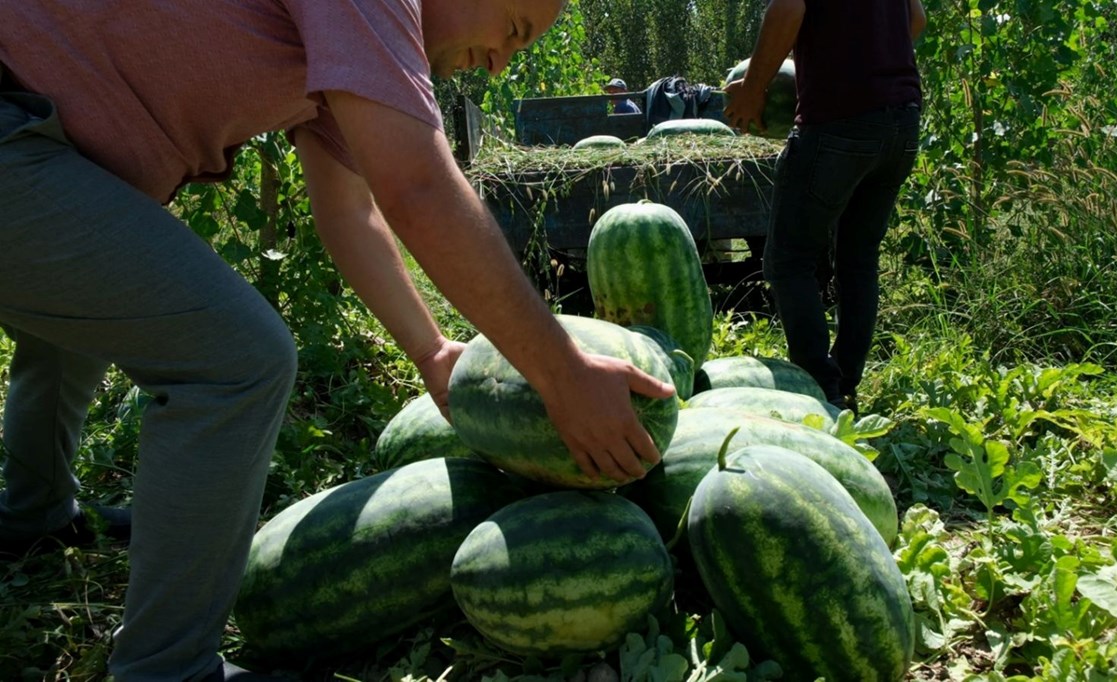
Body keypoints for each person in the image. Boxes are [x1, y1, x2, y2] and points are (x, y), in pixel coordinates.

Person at [0, 0, 675, 679]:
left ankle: (36, 513)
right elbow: (414, 185)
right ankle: (167, 668)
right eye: (512, 30)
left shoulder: (346, 52)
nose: (499, 62)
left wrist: (433, 353)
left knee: (83, 310)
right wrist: (562, 376)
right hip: (12, 125)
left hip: (52, 150)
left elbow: (350, 210)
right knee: (239, 361)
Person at [723, 0, 927, 413]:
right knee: (859, 258)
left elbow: (788, 7)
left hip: (838, 121)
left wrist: (753, 89)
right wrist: (871, 58)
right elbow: (916, 19)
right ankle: (845, 381)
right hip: (901, 121)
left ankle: (820, 387)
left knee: (788, 259)